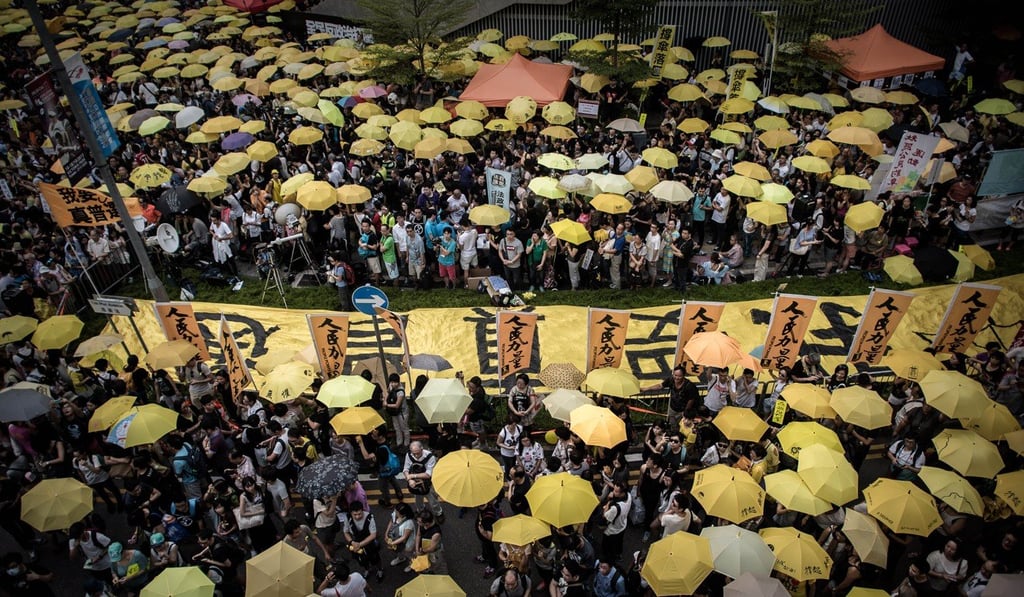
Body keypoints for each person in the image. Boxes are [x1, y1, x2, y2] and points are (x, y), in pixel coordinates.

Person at [642, 366, 699, 431]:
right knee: (672, 424)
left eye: (679, 376)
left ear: (684, 375)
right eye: (675, 375)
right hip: (672, 408)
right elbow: (660, 386)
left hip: (682, 411)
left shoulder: (689, 386)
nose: (677, 378)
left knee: (683, 425)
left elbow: (691, 399)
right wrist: (647, 388)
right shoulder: (671, 380)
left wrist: (686, 411)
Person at [341, 501, 383, 583]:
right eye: (355, 515)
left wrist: (360, 544)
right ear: (351, 513)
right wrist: (352, 542)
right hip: (355, 542)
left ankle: (380, 569)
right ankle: (367, 568)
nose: (357, 517)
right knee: (361, 559)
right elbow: (346, 532)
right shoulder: (348, 518)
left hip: (369, 543)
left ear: (362, 511)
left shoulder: (369, 517)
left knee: (375, 558)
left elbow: (373, 535)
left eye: (359, 514)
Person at [403, 440, 444, 518]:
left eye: (418, 453)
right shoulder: (409, 455)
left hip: (429, 484)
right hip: (415, 484)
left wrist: (412, 476)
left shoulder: (430, 457)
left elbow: (428, 474)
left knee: (433, 502)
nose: (416, 456)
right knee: (418, 501)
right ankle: (421, 511)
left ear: (422, 448)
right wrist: (409, 480)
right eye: (413, 453)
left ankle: (438, 513)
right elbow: (406, 469)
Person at [384, 373, 409, 450]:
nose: (393, 384)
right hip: (394, 412)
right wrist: (389, 389)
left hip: (402, 413)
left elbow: (397, 405)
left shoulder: (400, 392)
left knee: (404, 428)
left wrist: (387, 405)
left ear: (398, 382)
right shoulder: (392, 388)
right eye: (392, 382)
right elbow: (388, 394)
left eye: (395, 382)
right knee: (397, 428)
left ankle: (406, 443)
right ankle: (399, 442)